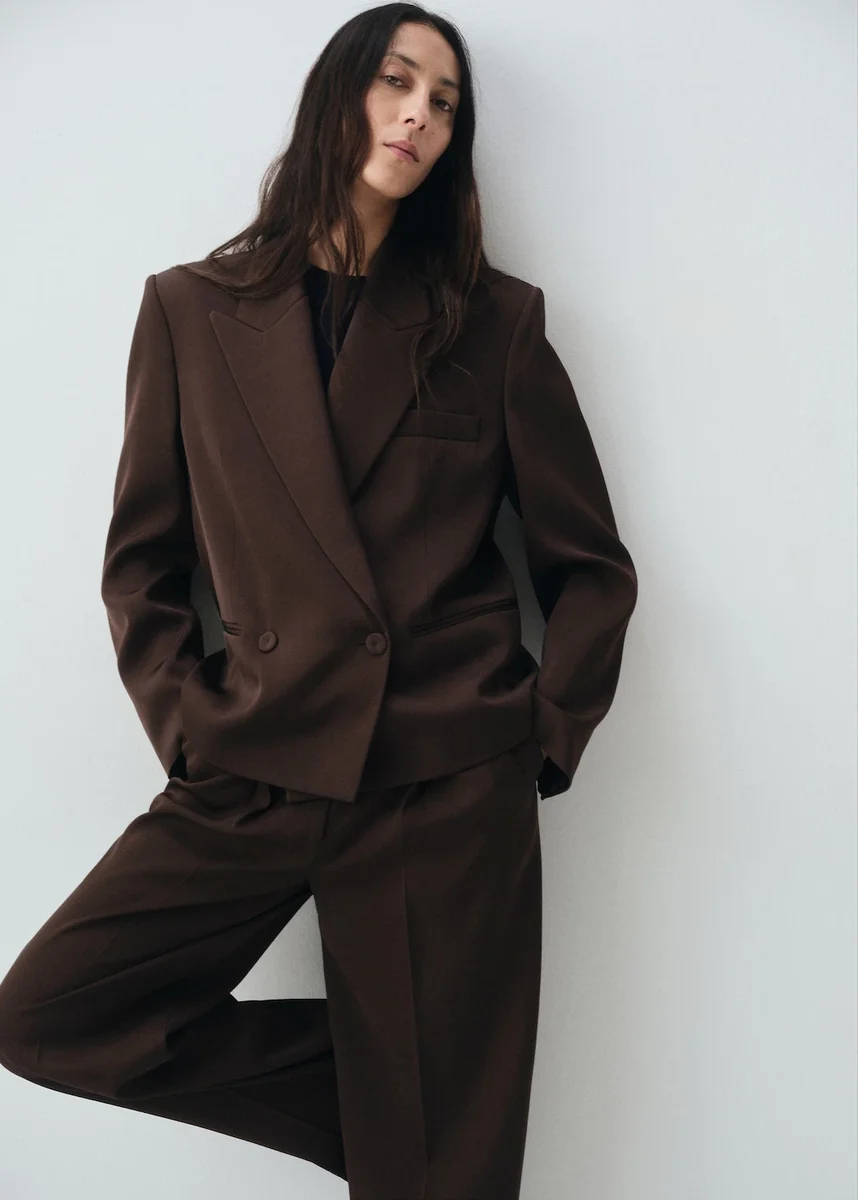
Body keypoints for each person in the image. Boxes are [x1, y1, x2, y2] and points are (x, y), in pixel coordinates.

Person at [0, 4, 639, 1197]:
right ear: (335, 96)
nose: (418, 114)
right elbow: (141, 561)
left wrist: (539, 742)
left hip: (442, 774)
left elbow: (590, 566)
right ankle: (420, 1103)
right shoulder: (190, 310)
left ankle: (434, 1119)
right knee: (46, 1014)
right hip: (256, 755)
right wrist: (188, 728)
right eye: (396, 81)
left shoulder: (493, 322)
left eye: (444, 103)